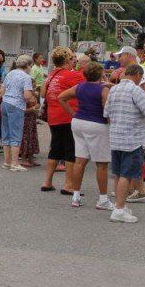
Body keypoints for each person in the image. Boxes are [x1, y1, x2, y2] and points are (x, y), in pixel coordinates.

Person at [103, 64, 145, 224]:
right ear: (138, 75)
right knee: (127, 174)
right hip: (132, 139)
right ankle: (119, 210)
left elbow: (106, 113)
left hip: (116, 137)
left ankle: (120, 205)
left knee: (118, 173)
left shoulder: (114, 90)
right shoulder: (136, 91)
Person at [60, 62, 113, 210]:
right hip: (96, 124)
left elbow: (61, 97)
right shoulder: (103, 90)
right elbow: (107, 110)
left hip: (78, 121)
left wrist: (73, 113)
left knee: (80, 160)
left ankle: (76, 196)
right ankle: (103, 199)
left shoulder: (79, 87)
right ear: (101, 74)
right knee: (102, 163)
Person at [41, 48, 85, 191]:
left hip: (53, 116)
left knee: (55, 148)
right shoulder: (71, 76)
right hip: (67, 116)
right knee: (70, 150)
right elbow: (89, 84)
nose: (74, 61)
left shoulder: (51, 75)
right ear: (67, 61)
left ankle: (47, 182)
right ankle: (68, 185)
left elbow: (42, 93)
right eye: (72, 59)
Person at [2, 55, 37, 172]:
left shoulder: (10, 73)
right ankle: (15, 163)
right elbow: (27, 96)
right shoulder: (26, 77)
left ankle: (6, 162)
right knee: (16, 134)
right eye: (30, 65)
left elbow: (2, 90)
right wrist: (32, 96)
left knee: (6, 133)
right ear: (28, 65)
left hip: (5, 102)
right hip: (16, 105)